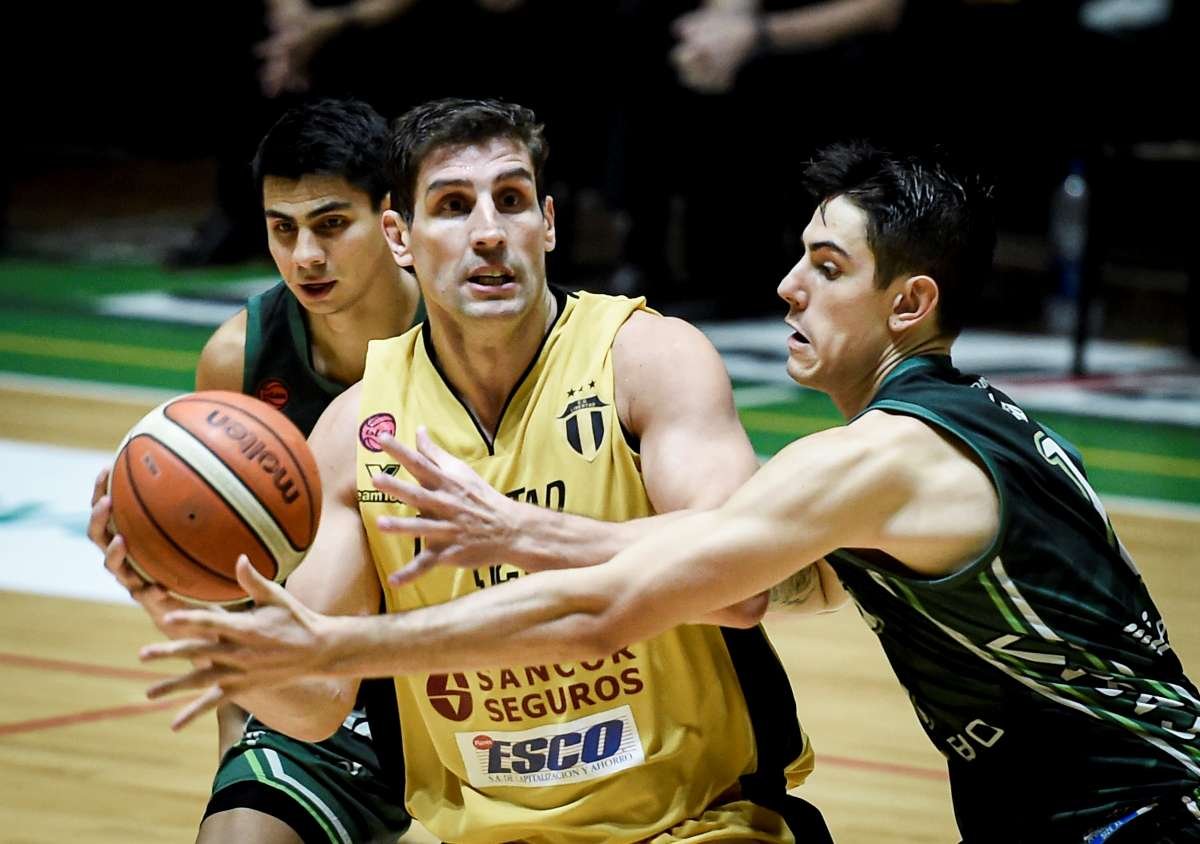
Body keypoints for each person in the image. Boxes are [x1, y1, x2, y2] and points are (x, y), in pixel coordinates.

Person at [146, 139, 1200, 841]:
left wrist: (343, 642)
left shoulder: (878, 458)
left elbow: (640, 599)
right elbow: (738, 564)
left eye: (827, 268)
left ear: (909, 302)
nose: (788, 286)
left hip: (1135, 816)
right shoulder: (955, 429)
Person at [129, 97, 832, 842]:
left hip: (700, 824)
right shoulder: (355, 429)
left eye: (512, 200)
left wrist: (526, 534)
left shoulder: (646, 359)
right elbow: (316, 704)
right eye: (454, 207)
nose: (490, 232)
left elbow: (739, 585)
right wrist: (195, 613)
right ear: (400, 237)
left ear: (548, 225)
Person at [90, 98, 420, 844]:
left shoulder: (466, 335)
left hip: (476, 659)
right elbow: (239, 598)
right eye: (283, 228)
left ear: (392, 220)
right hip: (324, 674)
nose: (305, 256)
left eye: (331, 224)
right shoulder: (238, 358)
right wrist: (239, 758)